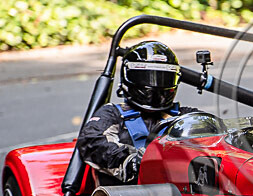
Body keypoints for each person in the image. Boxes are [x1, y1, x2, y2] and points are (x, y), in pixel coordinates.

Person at [76, 41, 199, 184]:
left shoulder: (185, 116)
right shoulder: (112, 114)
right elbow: (92, 141)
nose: (155, 85)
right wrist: (134, 162)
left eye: (162, 78)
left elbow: (218, 137)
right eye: (147, 77)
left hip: (184, 195)